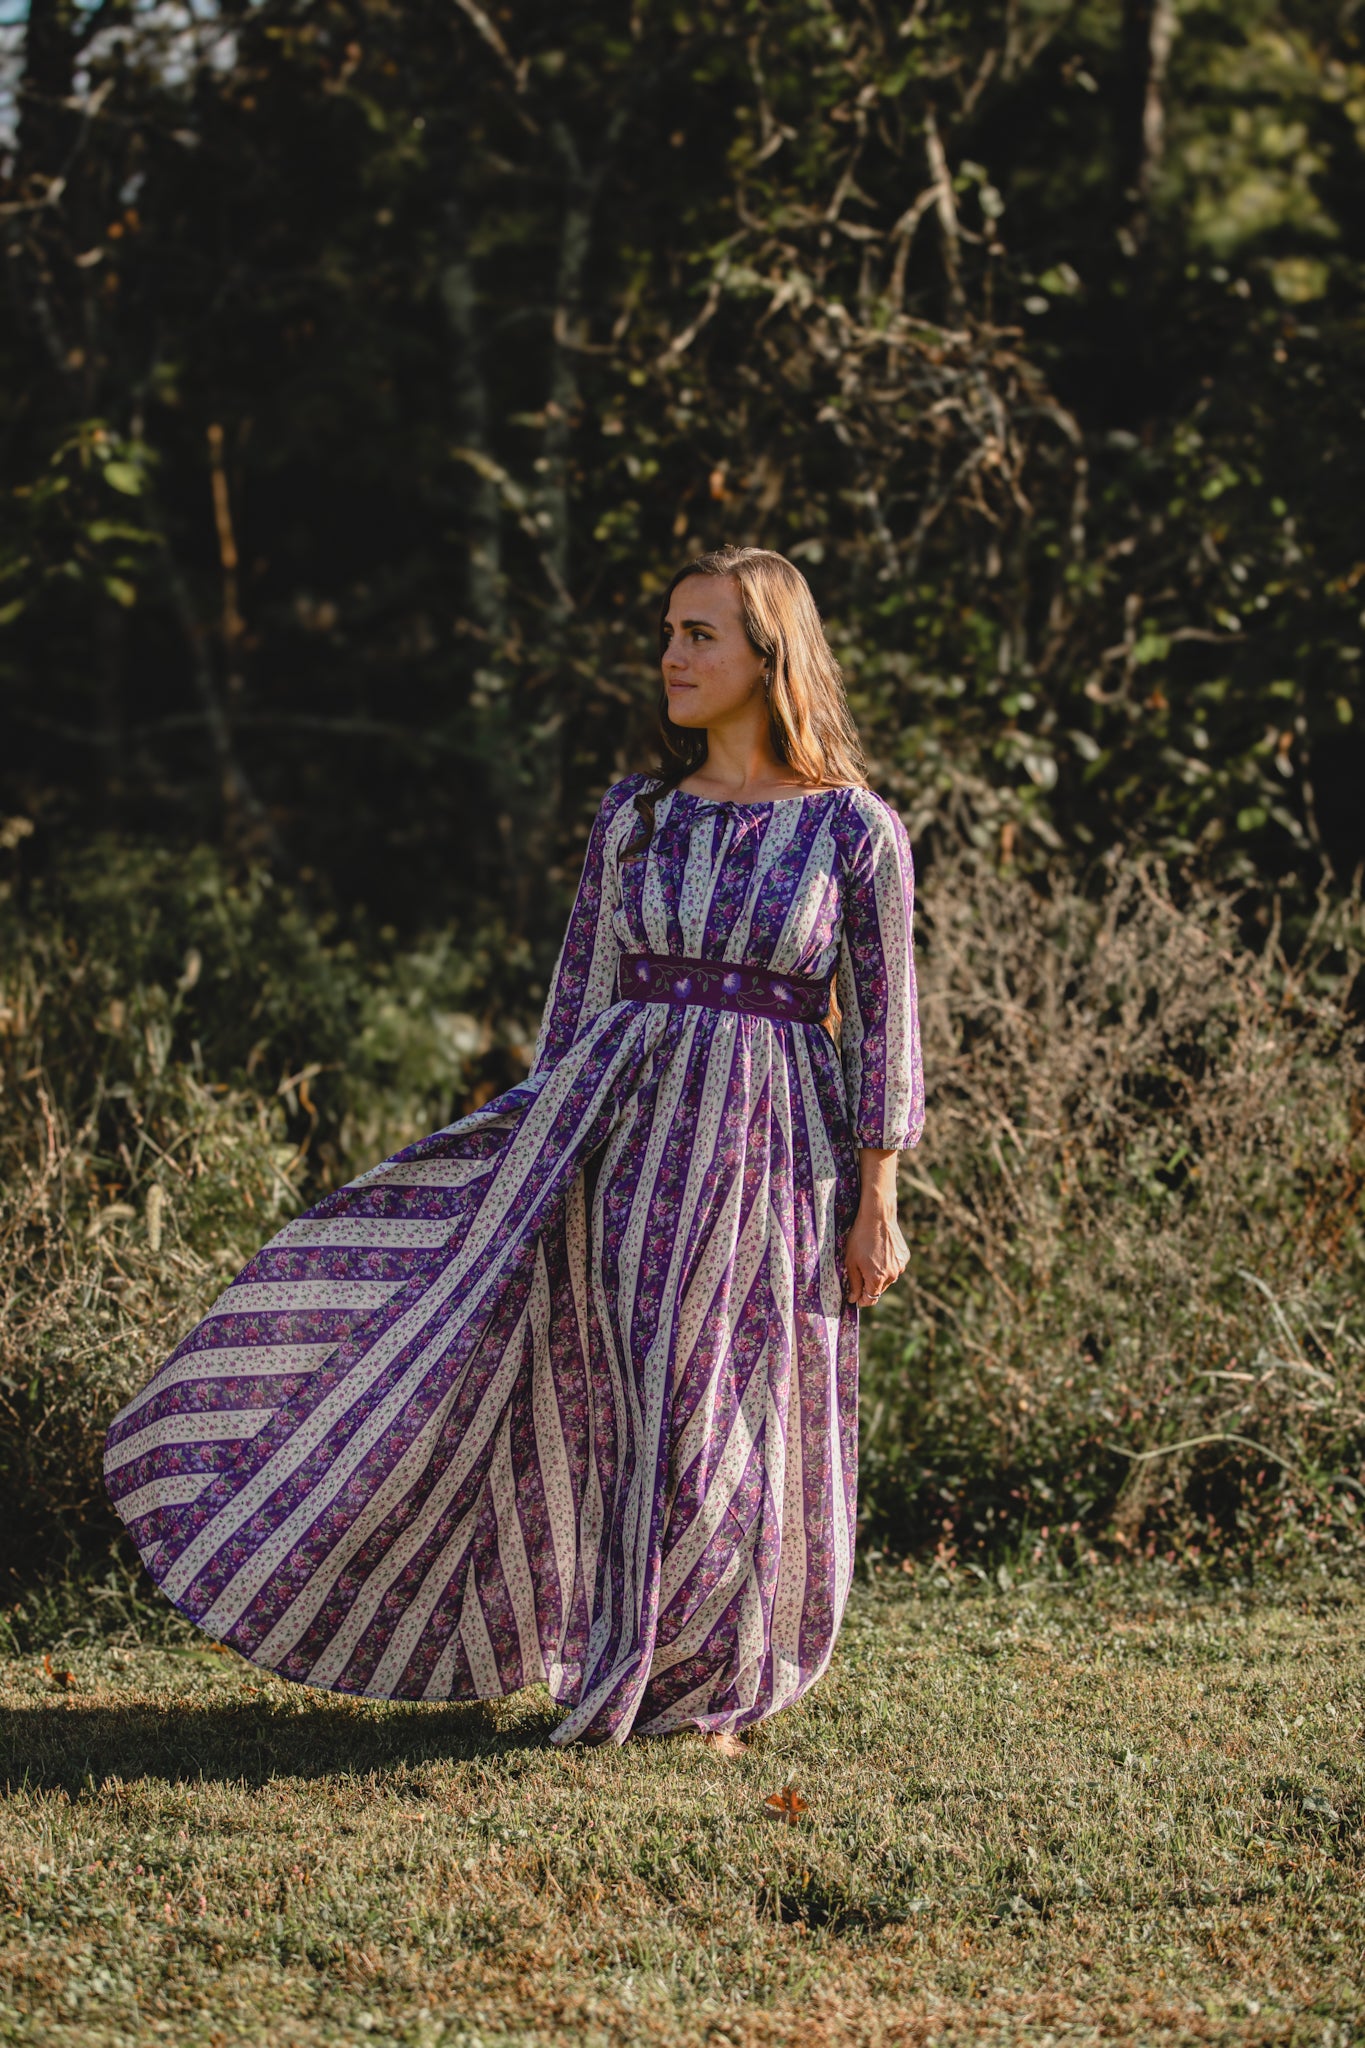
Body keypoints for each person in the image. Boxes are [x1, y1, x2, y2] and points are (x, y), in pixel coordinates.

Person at [103, 545, 924, 1751]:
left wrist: (877, 1197)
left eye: (701, 634)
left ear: (770, 652)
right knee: (633, 1405)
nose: (673, 657)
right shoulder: (637, 815)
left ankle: (711, 1682)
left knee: (735, 1399)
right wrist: (532, 1159)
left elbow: (885, 1027)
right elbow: (579, 1003)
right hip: (622, 1142)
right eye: (668, 632)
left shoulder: (852, 829)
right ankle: (619, 1661)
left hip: (773, 1152)